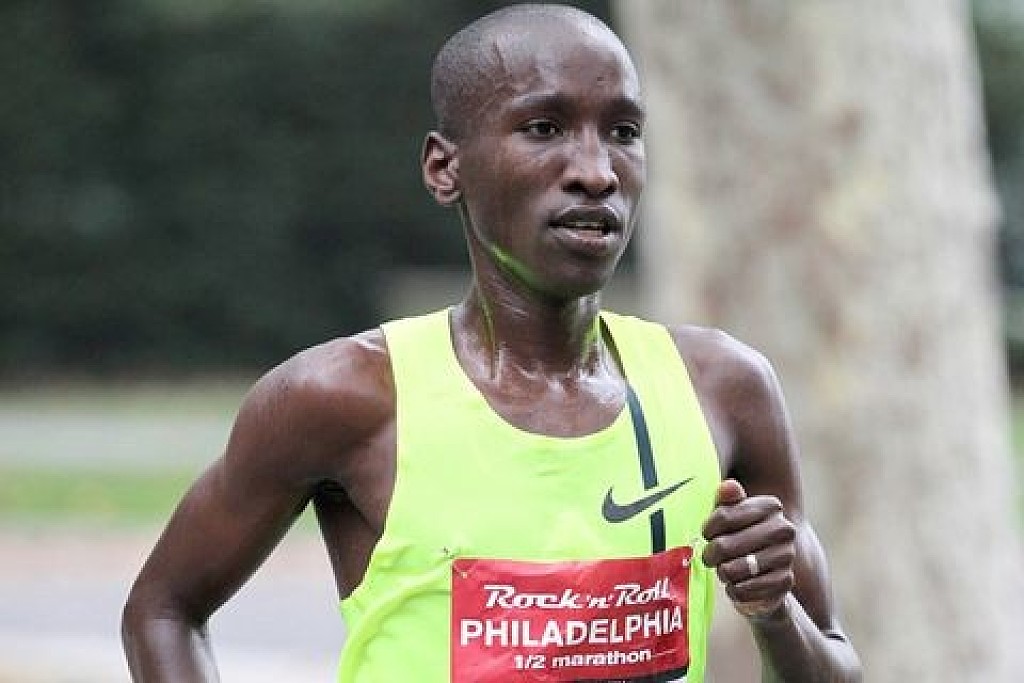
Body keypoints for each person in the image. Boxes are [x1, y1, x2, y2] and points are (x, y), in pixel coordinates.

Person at [122, 4, 862, 681]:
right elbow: (163, 610)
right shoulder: (345, 397)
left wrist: (772, 612)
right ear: (445, 168)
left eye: (623, 132)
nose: (596, 171)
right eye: (543, 128)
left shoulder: (722, 388)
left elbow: (833, 668)